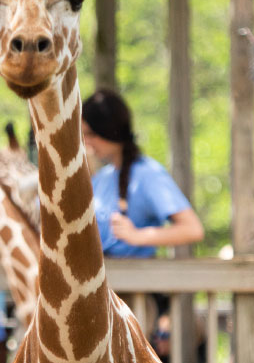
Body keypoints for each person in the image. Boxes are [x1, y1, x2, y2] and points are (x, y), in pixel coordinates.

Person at [81, 89, 204, 259]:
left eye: (91, 134)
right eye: (83, 134)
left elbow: (192, 229)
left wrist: (137, 236)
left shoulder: (148, 174)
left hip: (137, 281)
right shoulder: (103, 177)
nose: (86, 141)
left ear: (109, 129)